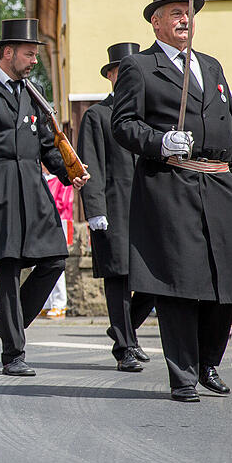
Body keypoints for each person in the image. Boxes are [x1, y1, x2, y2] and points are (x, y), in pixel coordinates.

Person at [111, 0, 232, 402]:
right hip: (171, 184)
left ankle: (209, 360)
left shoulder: (211, 66)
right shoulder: (140, 67)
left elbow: (231, 125)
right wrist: (159, 142)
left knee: (228, 281)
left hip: (218, 184)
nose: (184, 19)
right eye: (175, 13)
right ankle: (183, 375)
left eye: (189, 13)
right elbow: (123, 126)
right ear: (155, 22)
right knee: (179, 285)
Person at [0, 19, 89, 376]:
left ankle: (7, 323)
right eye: (29, 54)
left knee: (55, 260)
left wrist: (68, 172)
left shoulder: (33, 92)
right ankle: (13, 352)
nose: (33, 61)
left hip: (32, 187)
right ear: (8, 52)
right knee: (9, 269)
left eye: (35, 55)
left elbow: (47, 143)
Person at [77, 43, 155, 372]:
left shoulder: (151, 116)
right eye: (120, 72)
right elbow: (90, 165)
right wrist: (95, 209)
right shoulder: (97, 115)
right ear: (110, 76)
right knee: (119, 278)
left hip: (150, 207)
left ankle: (125, 328)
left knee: (155, 278)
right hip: (114, 208)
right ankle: (124, 347)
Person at [40, 171, 73, 318]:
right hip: (41, 223)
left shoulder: (60, 177)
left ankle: (59, 304)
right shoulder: (41, 177)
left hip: (59, 222)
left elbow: (64, 202)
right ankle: (45, 303)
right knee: (39, 264)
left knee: (56, 263)